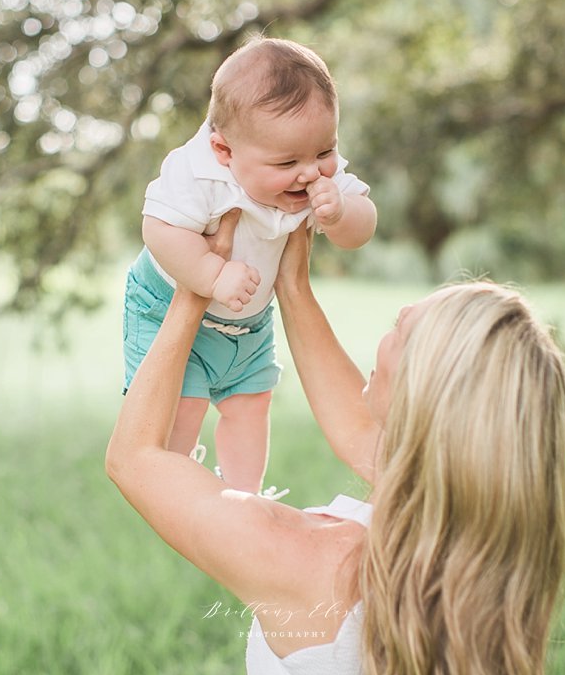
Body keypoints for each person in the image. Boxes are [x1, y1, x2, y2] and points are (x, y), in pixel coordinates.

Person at [106, 212, 565, 675]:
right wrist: (292, 286)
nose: (404, 310)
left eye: (404, 330)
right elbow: (367, 432)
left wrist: (189, 291)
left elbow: (135, 456)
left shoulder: (305, 559)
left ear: (420, 399)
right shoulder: (490, 544)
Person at [124, 36, 377, 494]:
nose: (310, 173)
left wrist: (340, 214)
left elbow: (364, 226)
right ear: (225, 151)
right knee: (183, 406)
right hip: (166, 305)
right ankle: (176, 487)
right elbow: (158, 230)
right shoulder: (199, 172)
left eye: (324, 153)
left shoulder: (320, 171)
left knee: (253, 401)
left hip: (249, 317)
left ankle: (243, 495)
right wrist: (211, 274)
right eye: (287, 162)